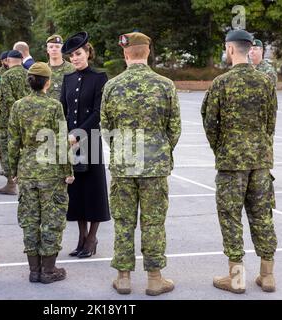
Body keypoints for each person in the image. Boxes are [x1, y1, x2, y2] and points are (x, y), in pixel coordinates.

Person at [101, 32, 181, 295]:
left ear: (126, 54)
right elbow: (174, 128)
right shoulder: (165, 84)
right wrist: (160, 149)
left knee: (123, 221)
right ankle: (155, 279)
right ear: (147, 53)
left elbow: (105, 128)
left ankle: (123, 278)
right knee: (154, 222)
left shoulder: (112, 86)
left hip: (123, 163)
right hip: (155, 165)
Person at [201, 29, 278, 294]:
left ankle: (236, 279)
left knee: (231, 216)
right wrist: (261, 147)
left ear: (231, 49)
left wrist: (220, 148)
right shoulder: (266, 82)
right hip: (260, 161)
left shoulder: (221, 82)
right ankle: (267, 276)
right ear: (249, 49)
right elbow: (271, 122)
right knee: (263, 216)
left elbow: (210, 122)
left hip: (231, 162)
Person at [8, 62, 74, 284]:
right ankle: (48, 270)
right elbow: (62, 141)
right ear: (48, 82)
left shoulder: (18, 106)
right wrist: (68, 170)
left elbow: (12, 141)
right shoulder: (54, 106)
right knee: (51, 220)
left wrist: (12, 170)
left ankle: (34, 270)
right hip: (51, 171)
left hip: (27, 170)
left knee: (30, 220)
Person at [60, 31, 110, 258]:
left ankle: (92, 238)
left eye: (78, 54)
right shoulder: (67, 79)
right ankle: (81, 237)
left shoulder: (100, 77)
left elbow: (100, 112)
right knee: (76, 191)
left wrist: (78, 134)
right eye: (71, 56)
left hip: (90, 140)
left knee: (94, 190)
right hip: (71, 142)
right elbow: (63, 109)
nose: (75, 58)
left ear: (88, 53)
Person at [0, 50, 30, 195]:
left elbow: (8, 99)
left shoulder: (6, 76)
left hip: (9, 121)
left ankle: (11, 183)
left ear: (8, 61)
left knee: (8, 150)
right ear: (22, 60)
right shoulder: (29, 74)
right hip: (28, 119)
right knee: (26, 149)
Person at [45, 34, 75, 100]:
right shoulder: (43, 70)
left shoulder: (73, 69)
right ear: (47, 50)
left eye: (57, 47)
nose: (54, 49)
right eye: (51, 47)